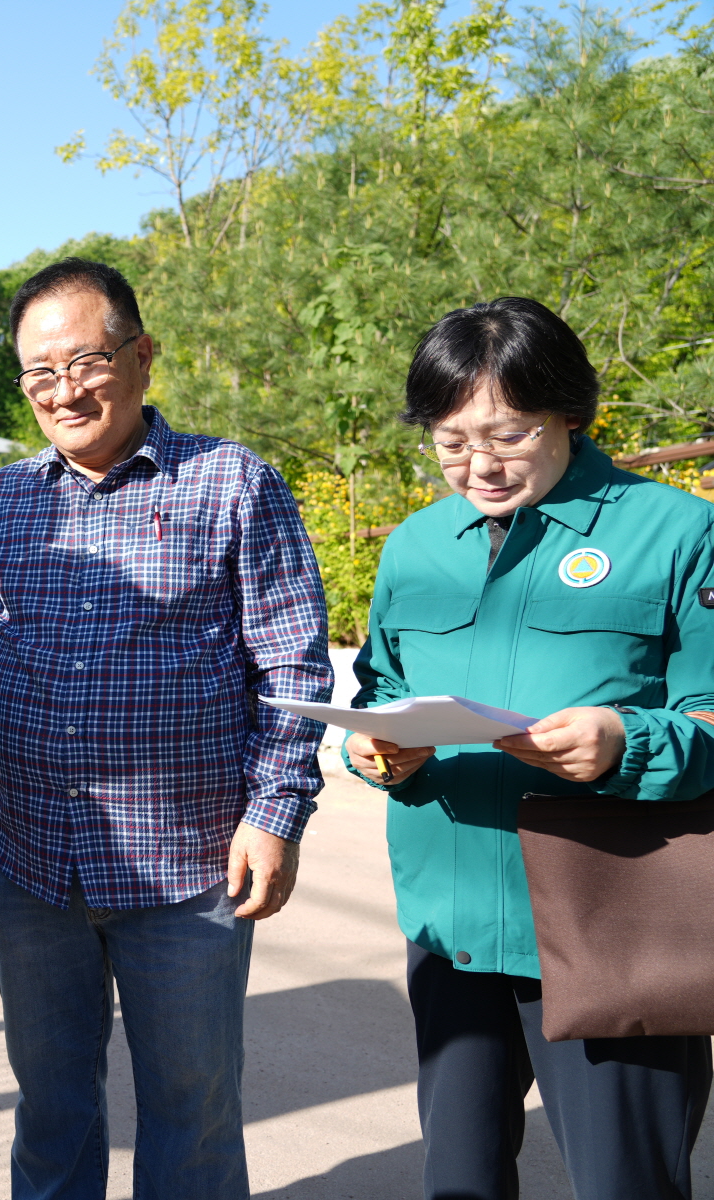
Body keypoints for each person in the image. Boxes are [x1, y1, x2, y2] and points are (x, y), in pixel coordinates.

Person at [0, 257, 332, 1199]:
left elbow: (292, 665)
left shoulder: (233, 483)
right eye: (39, 373)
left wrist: (276, 813)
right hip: (32, 868)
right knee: (51, 1103)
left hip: (188, 868)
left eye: (86, 360)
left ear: (142, 356)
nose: (63, 390)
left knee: (192, 1107)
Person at [343, 296, 714, 1200]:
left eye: (507, 436)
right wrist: (382, 750)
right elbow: (381, 690)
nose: (478, 466)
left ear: (570, 413)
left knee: (626, 1184)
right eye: (449, 441)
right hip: (453, 926)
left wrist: (631, 740)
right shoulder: (416, 546)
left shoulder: (673, 533)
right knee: (460, 1182)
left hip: (613, 928)